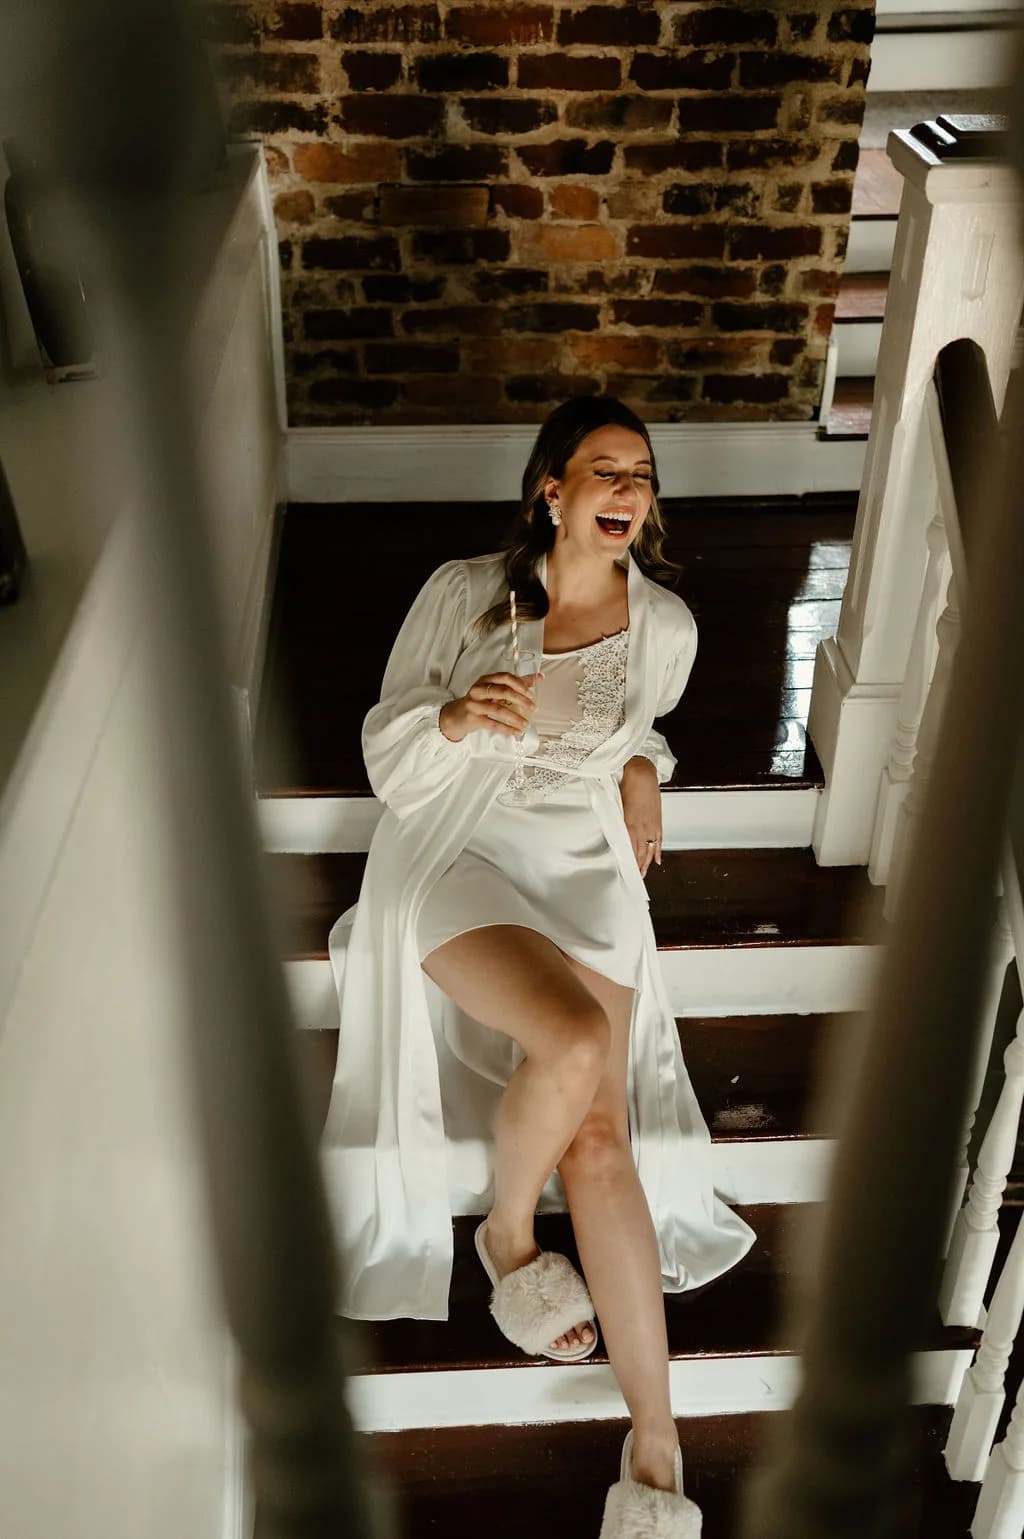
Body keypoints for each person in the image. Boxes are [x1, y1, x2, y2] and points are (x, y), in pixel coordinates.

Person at [320, 396, 755, 1535]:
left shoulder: (665, 624)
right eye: (602, 470)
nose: (626, 491)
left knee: (602, 1135)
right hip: (457, 844)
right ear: (549, 490)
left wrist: (646, 767)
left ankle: (654, 1450)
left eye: (642, 476)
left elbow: (635, 725)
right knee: (570, 1041)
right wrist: (457, 720)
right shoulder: (464, 592)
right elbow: (387, 747)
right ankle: (509, 1236)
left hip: (583, 867)